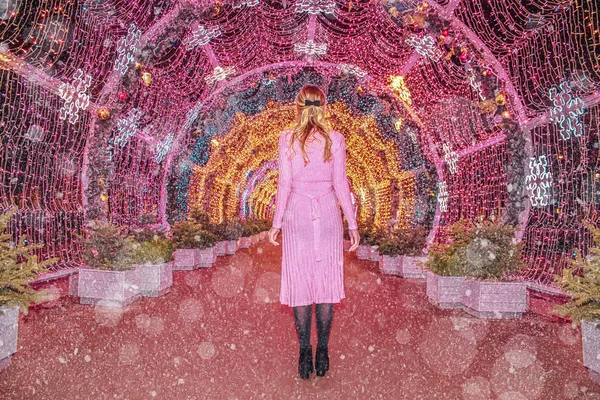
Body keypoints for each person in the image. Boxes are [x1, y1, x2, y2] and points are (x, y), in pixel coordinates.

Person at [268, 85, 360, 380]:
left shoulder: (287, 140)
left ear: (298, 106)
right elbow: (341, 184)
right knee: (326, 284)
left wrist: (276, 222)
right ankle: (323, 350)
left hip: (297, 216)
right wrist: (352, 224)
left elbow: (284, 184)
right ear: (324, 106)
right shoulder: (335, 139)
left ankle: (304, 352)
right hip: (328, 217)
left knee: (300, 283)